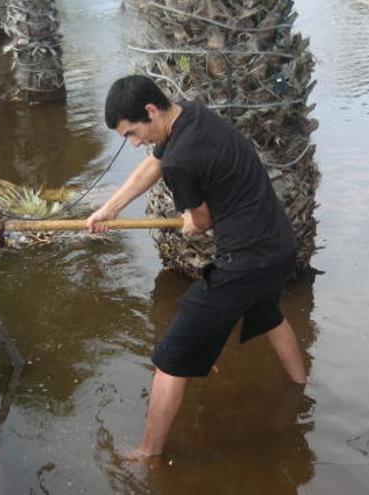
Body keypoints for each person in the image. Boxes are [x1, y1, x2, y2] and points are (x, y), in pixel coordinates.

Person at [86, 75, 307, 459]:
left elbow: (200, 221)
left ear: (151, 111)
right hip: (279, 246)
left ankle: (148, 451)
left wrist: (190, 219)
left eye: (133, 133)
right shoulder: (193, 116)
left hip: (245, 262)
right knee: (266, 312)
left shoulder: (182, 161)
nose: (135, 143)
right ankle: (300, 386)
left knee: (171, 358)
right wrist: (109, 209)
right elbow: (150, 168)